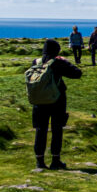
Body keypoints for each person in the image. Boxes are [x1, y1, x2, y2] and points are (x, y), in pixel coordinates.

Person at [30, 39, 82, 170]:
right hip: (56, 101)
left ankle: (40, 161)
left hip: (39, 101)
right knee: (57, 130)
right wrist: (65, 61)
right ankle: (55, 160)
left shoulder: (36, 62)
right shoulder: (57, 63)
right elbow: (77, 73)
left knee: (40, 130)